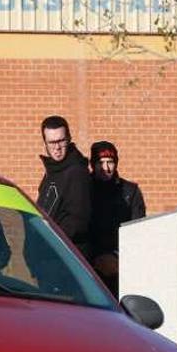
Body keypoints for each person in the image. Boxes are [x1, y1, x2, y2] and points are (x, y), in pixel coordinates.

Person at [89, 141, 146, 296]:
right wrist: (95, 258)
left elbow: (137, 231)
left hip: (120, 269)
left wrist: (117, 258)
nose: (106, 168)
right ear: (93, 164)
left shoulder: (130, 192)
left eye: (110, 162)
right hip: (89, 267)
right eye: (101, 162)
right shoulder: (84, 189)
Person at [36, 115, 92, 258]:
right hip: (48, 254)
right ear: (45, 143)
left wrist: (49, 239)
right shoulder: (52, 170)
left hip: (68, 256)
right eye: (52, 143)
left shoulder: (77, 172)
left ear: (69, 139)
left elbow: (78, 221)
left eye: (61, 141)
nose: (57, 148)